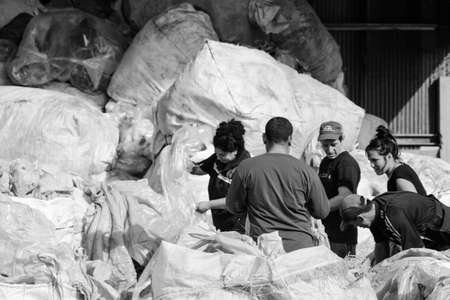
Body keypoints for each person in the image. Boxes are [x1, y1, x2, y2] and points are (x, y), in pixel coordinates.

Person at [226, 117, 329, 252]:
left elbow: (233, 207)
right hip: (303, 252)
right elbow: (322, 211)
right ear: (290, 139)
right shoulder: (306, 171)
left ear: (264, 138)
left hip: (266, 251)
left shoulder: (246, 168)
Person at [340, 192, 450, 265]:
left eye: (355, 225)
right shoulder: (375, 208)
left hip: (444, 230)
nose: (359, 227)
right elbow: (381, 245)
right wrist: (377, 273)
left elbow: (416, 253)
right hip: (434, 236)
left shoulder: (392, 216)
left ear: (360, 218)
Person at [192, 119, 250, 233]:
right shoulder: (218, 159)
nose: (218, 157)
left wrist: (208, 205)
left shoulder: (246, 167)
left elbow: (236, 200)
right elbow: (199, 169)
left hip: (237, 225)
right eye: (217, 153)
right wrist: (181, 161)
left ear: (235, 150)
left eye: (222, 155)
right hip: (220, 221)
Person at [318, 121, 361, 258]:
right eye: (325, 145)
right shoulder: (325, 162)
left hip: (342, 232)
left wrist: (320, 209)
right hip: (328, 228)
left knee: (344, 273)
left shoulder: (346, 164)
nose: (329, 150)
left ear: (342, 139)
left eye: (333, 144)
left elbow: (344, 197)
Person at [366, 125, 426, 195]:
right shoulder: (396, 173)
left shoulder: (400, 177)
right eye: (370, 161)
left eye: (375, 160)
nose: (372, 165)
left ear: (389, 156)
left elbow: (413, 203)